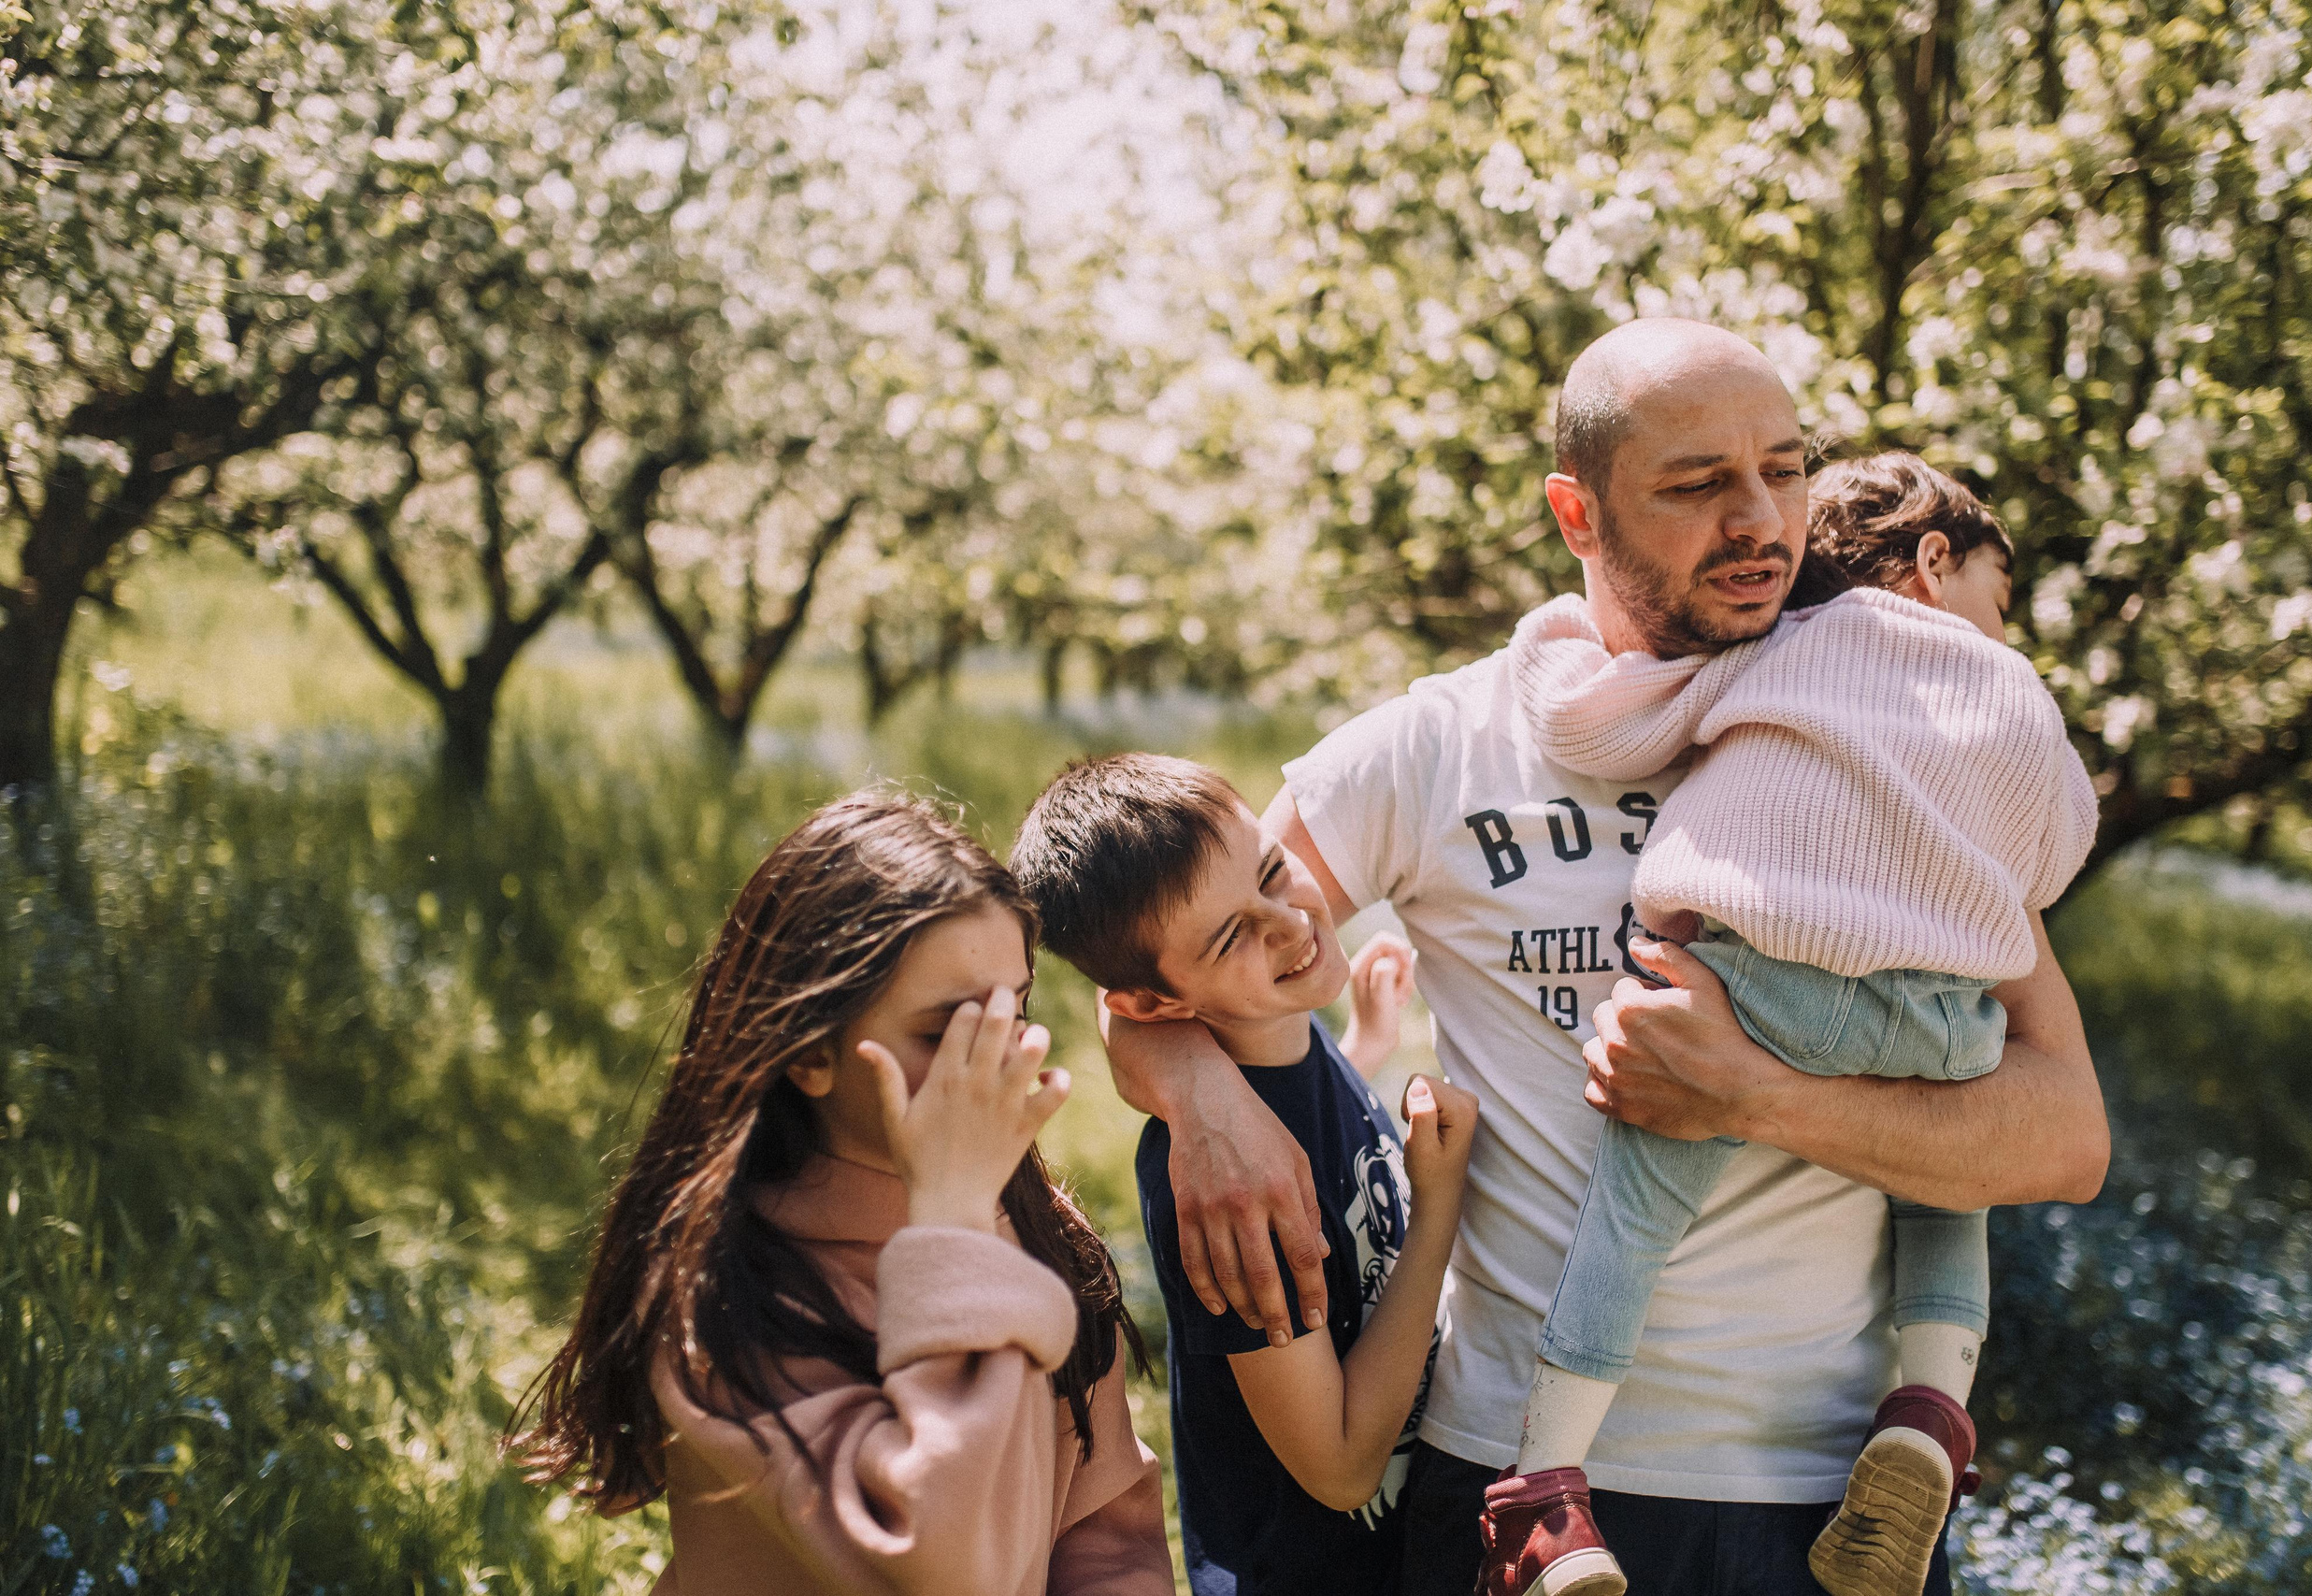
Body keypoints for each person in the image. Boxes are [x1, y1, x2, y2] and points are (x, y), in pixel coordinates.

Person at [1105, 320, 2110, 1596]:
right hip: (1519, 1487)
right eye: (1697, 484)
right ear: (1576, 513)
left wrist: (1753, 1095)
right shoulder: (1438, 747)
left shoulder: (1893, 738)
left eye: (1784, 470)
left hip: (1835, 1511)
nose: (1760, 521)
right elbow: (1165, 967)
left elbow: (2065, 1137)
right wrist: (1204, 1102)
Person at [1486, 452, 2098, 1596]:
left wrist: (1554, 637)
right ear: (1932, 562)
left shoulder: (1780, 648)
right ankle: (1927, 1416)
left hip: (1762, 994)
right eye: (1999, 596)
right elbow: (2060, 845)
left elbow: (1605, 724)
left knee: (1630, 1222)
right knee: (1944, 1181)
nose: (2003, 629)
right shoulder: (2009, 690)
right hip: (1940, 1024)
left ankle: (1550, 1498)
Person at [513, 791, 1173, 1596]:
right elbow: (944, 1568)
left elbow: (1105, 1537)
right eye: (948, 1030)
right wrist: (957, 1236)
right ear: (810, 1054)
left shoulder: (1041, 1235)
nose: (1003, 1056)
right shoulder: (728, 1298)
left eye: (1017, 1008)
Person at [1012, 753, 1480, 1594]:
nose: (1291, 923)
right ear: (1153, 1005)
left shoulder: (1288, 1039)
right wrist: (1440, 1205)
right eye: (1231, 936)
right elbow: (1341, 1464)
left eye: (1271, 870)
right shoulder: (1223, 1191)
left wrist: (1363, 1047)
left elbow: (1324, 1167)